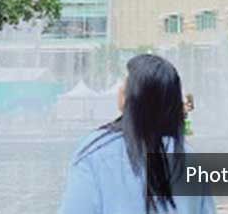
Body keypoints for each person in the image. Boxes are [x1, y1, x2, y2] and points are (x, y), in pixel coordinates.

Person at [59, 54, 215, 214]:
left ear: (131, 99)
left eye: (125, 84)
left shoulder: (95, 150)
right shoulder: (189, 158)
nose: (120, 88)